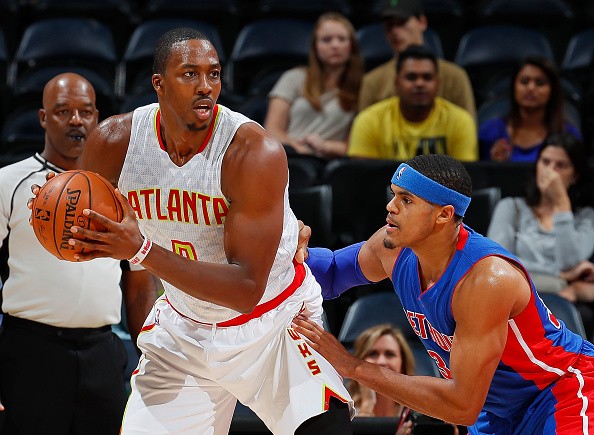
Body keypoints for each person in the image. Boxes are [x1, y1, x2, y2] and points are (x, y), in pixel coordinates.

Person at [43, 28, 354, 434]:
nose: (206, 86)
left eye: (214, 74)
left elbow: (245, 290)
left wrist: (140, 251)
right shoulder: (115, 143)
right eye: (190, 74)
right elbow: (80, 230)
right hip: (184, 330)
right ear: (159, 83)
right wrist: (54, 216)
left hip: (274, 324)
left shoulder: (253, 151)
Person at [292, 153, 594, 433]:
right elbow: (329, 274)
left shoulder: (485, 280)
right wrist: (288, 249)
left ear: (443, 215)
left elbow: (462, 406)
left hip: (561, 389)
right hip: (497, 410)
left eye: (406, 200)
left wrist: (353, 366)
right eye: (394, 194)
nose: (390, 206)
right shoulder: (392, 249)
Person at [0, 73, 158, 434]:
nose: (76, 120)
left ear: (97, 117)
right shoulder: (8, 183)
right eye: (63, 111)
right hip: (29, 351)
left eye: (86, 112)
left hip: (103, 350)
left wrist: (151, 355)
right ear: (43, 118)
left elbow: (139, 283)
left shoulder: (122, 191)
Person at [487, 133, 594, 330]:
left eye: (561, 166)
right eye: (545, 162)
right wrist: (561, 276)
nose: (550, 172)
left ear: (576, 175)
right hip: (513, 300)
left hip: (563, 304)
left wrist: (562, 204)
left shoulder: (586, 217)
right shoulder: (511, 207)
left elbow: (569, 261)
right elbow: (497, 263)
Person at [348, 45, 477, 161]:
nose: (419, 84)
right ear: (397, 82)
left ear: (438, 83)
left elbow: (465, 179)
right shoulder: (369, 120)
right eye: (411, 77)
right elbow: (362, 178)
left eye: (427, 77)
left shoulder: (460, 121)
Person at [264, 12, 364, 159]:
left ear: (352, 46)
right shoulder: (294, 77)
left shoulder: (361, 87)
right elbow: (272, 129)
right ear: (315, 47)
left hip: (329, 162)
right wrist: (296, 147)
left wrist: (324, 146)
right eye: (326, 40)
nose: (335, 45)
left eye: (342, 39)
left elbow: (356, 145)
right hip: (288, 156)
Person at [358, 0, 475, 119]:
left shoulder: (455, 76)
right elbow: (365, 130)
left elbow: (468, 127)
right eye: (389, 26)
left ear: (422, 22)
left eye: (402, 22)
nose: (395, 31)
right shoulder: (372, 82)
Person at [478, 56, 582, 162]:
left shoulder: (569, 135)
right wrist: (495, 166)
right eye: (524, 81)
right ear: (513, 87)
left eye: (540, 83)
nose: (531, 88)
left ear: (552, 91)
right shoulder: (490, 132)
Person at [348, 324, 414, 433]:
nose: (381, 362)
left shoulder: (415, 415)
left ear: (403, 365)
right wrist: (367, 405)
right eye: (373, 354)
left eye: (389, 354)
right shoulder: (343, 414)